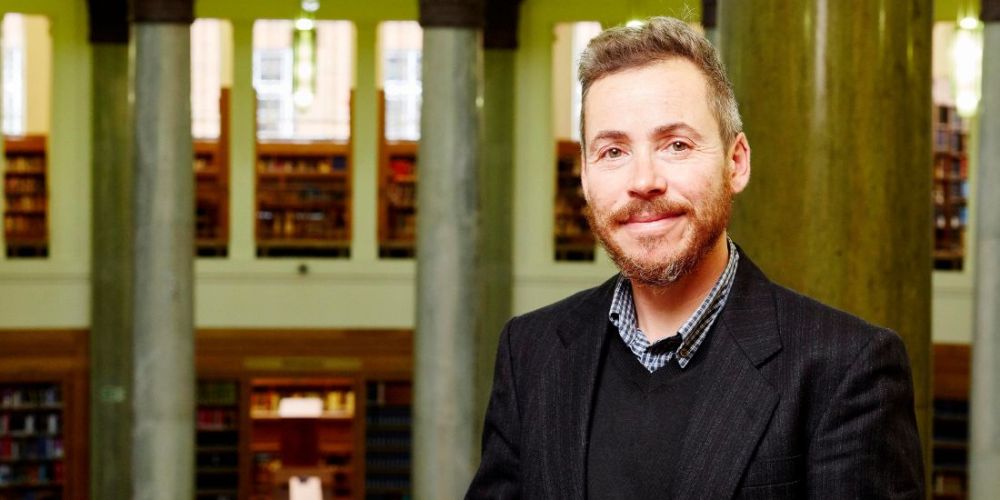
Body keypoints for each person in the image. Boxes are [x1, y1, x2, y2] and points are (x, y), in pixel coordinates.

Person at [466, 16, 924, 499]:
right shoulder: (530, 352)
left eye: (676, 145)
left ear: (736, 162)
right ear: (584, 175)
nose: (643, 180)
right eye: (613, 151)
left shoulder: (846, 368)